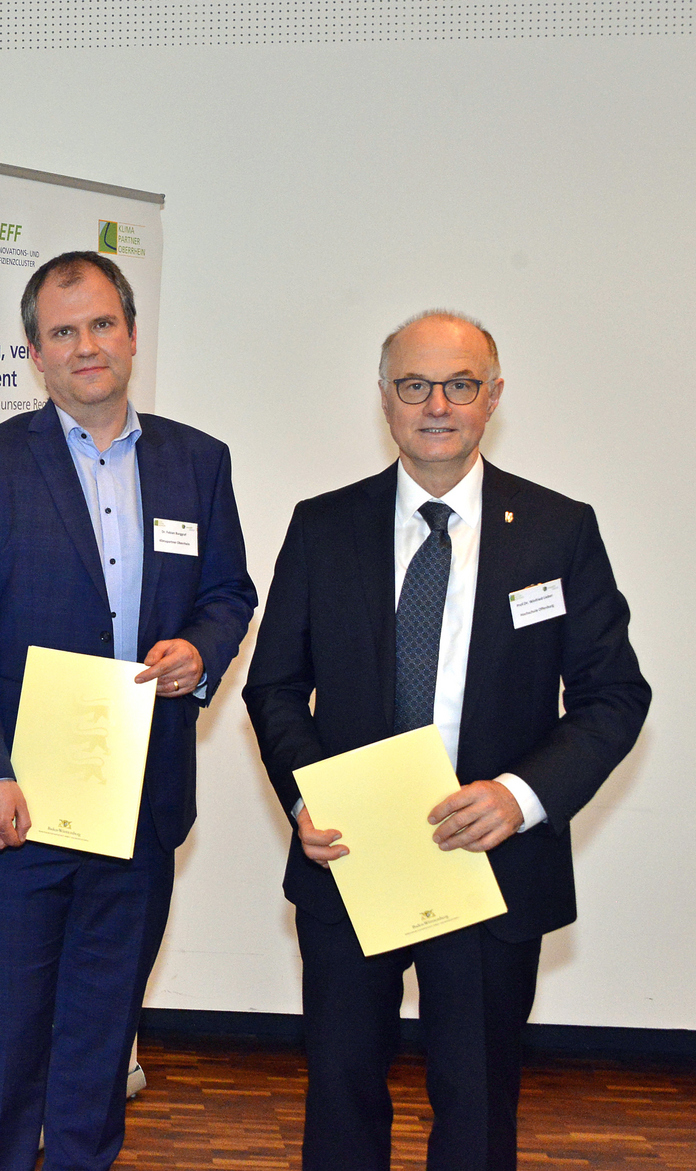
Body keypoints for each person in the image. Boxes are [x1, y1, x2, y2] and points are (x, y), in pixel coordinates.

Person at [242, 310, 651, 1170]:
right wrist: (309, 795)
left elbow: (615, 695)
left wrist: (519, 798)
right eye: (415, 385)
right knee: (341, 1090)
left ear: (493, 396)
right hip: (350, 856)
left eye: (460, 384)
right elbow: (273, 686)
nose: (437, 405)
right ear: (384, 398)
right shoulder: (322, 526)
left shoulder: (559, 531)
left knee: (477, 1102)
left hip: (492, 861)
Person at [0, 252, 257, 1170]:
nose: (86, 345)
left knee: (101, 1044)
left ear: (133, 334)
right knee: (2, 1050)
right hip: (18, 808)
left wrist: (202, 649)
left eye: (102, 324)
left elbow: (230, 592)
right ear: (35, 353)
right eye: (63, 331)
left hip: (141, 803)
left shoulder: (198, 461)